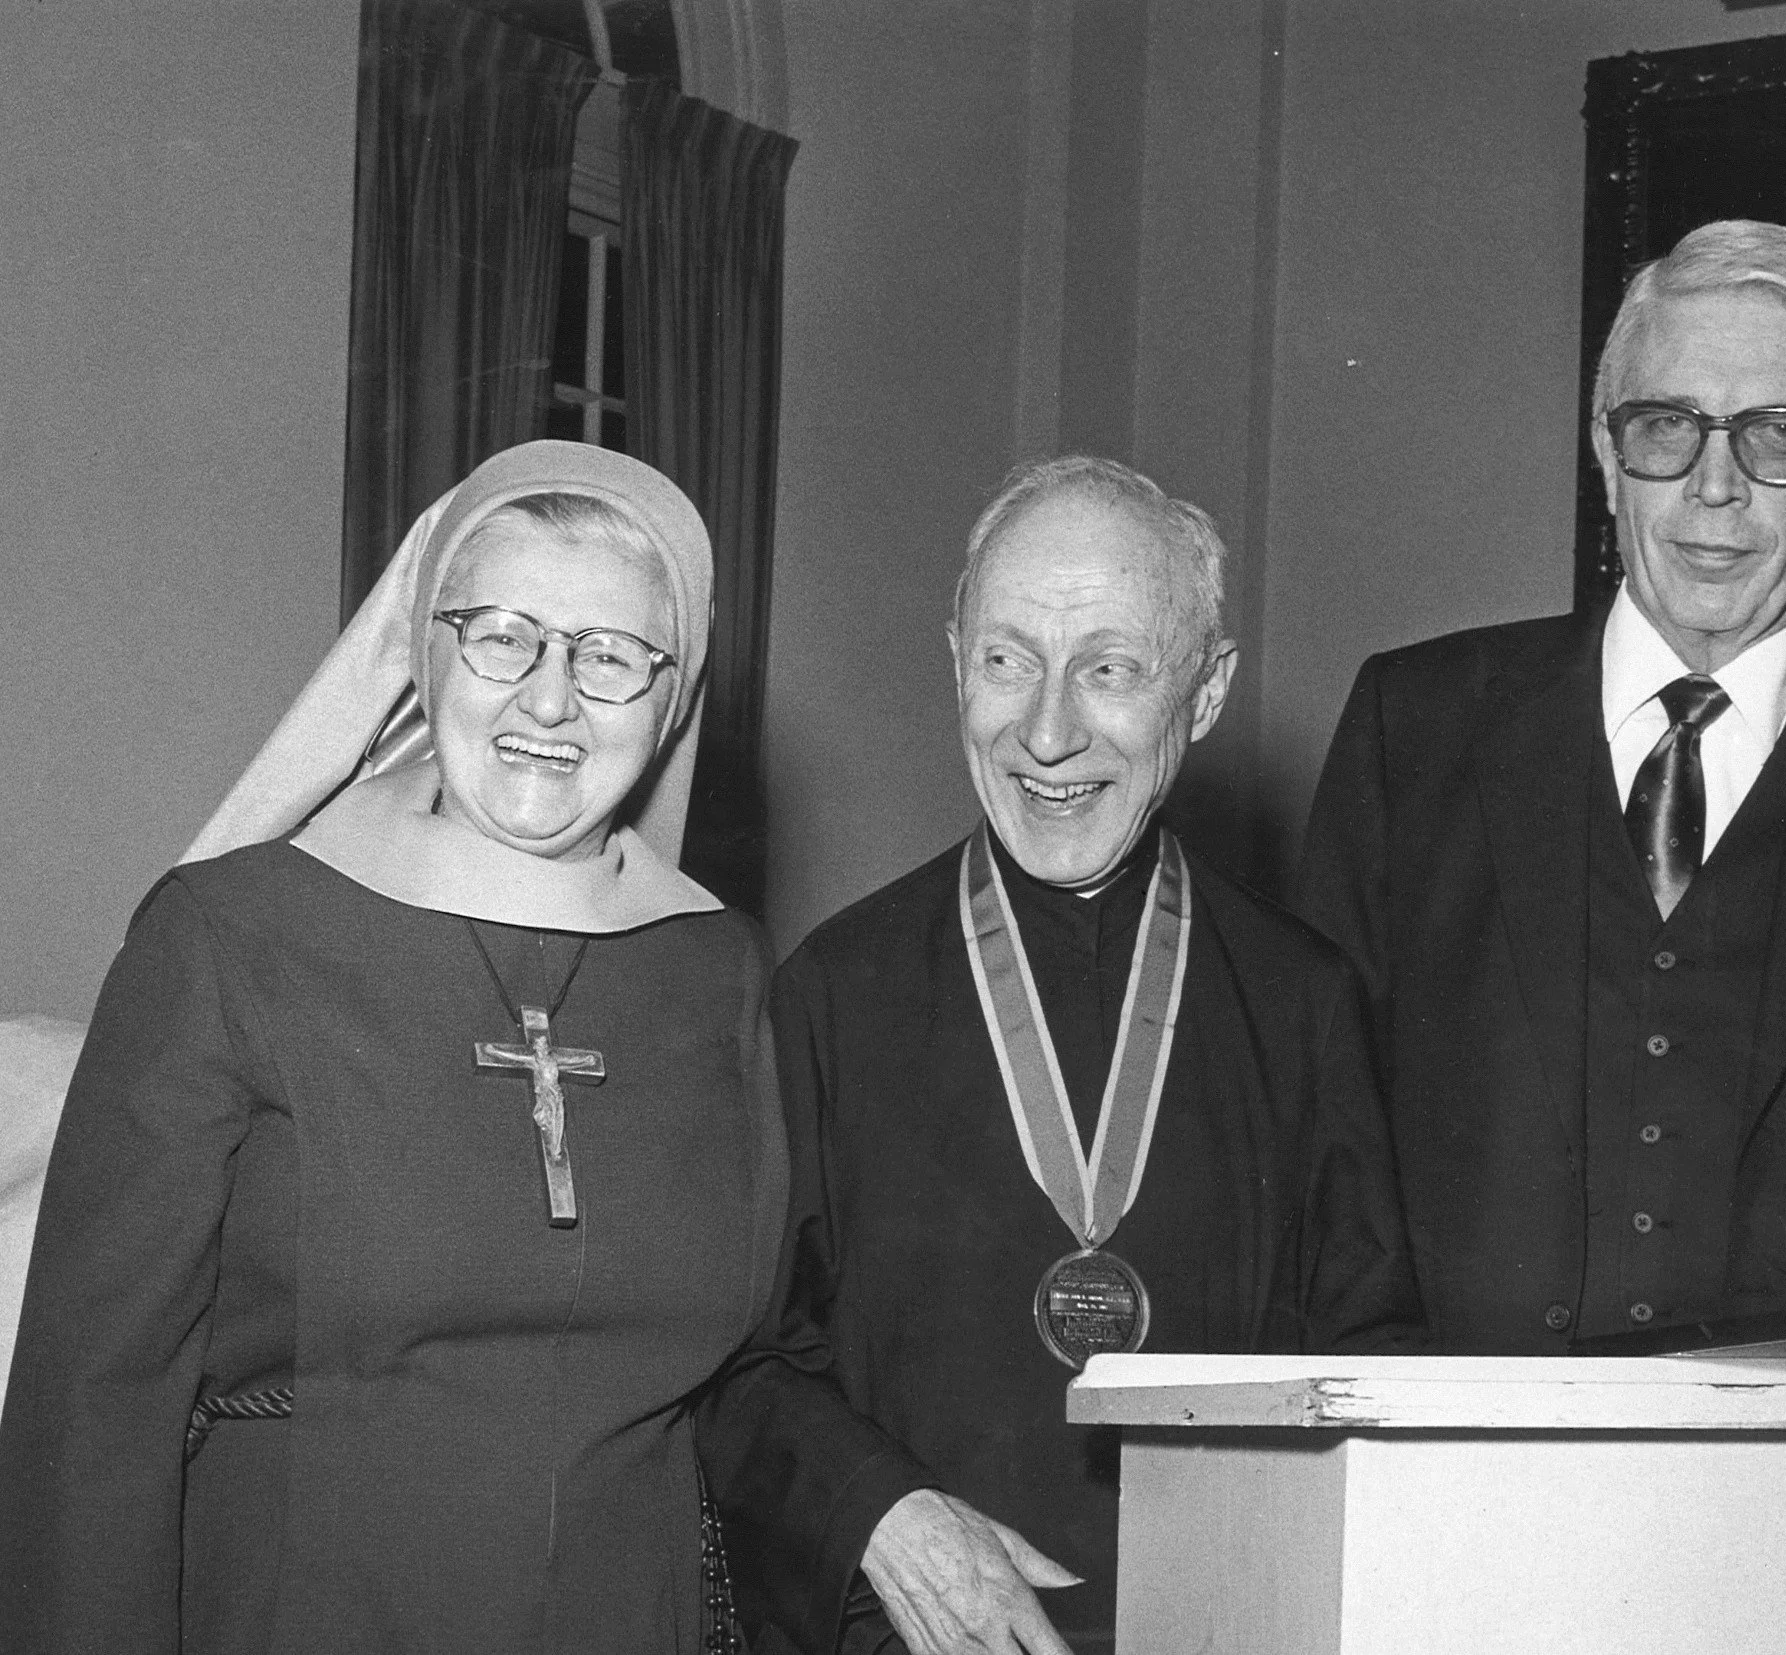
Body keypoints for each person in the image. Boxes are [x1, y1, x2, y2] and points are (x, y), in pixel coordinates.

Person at [0, 441, 786, 1653]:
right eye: (502, 633)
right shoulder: (228, 936)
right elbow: (86, 1419)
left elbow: (755, 1365)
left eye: (612, 655)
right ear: (424, 650)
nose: (548, 698)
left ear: (672, 697)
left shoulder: (716, 967)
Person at [1297, 219, 1786, 1356]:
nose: (1712, 487)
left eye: (1777, 436)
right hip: (1449, 1489)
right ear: (1602, 451)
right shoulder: (1413, 727)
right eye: (1665, 426)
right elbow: (1326, 1160)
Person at [699, 456, 1420, 1655]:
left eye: (1111, 667)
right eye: (1007, 658)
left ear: (1203, 694)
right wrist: (885, 1516)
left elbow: (1368, 1369)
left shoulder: (1308, 1005)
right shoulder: (829, 989)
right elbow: (739, 1365)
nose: (1046, 729)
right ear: (955, 663)